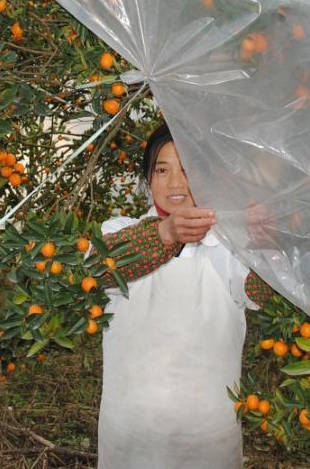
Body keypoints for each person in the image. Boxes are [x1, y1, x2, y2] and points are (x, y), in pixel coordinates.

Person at [97, 122, 275, 469]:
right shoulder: (117, 232)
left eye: (189, 170)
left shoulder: (228, 245)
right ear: (148, 180)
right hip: (129, 439)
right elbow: (99, 266)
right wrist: (166, 233)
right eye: (162, 171)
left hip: (209, 442)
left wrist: (266, 246)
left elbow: (260, 293)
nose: (177, 184)